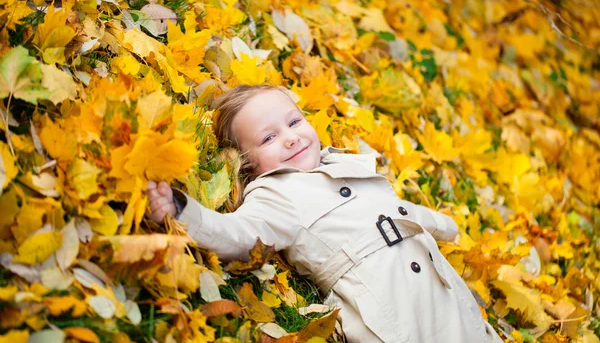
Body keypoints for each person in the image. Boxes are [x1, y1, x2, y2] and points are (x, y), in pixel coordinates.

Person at [147, 84, 503, 343]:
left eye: (294, 122)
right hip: (390, 309)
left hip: (442, 292)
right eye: (268, 139)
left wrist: (448, 227)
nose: (290, 138)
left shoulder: (347, 165)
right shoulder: (276, 192)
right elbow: (239, 234)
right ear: (248, 164)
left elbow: (403, 213)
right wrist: (183, 210)